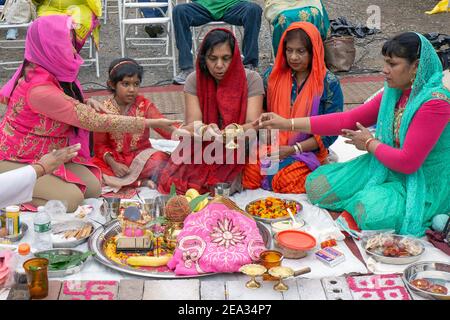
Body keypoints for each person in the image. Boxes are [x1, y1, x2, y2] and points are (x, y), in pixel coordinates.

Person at [257, 32, 450, 236]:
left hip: (422, 180)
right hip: (383, 165)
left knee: (367, 211)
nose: (384, 71)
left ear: (416, 66)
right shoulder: (396, 91)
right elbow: (347, 120)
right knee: (317, 186)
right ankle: (373, 193)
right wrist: (287, 123)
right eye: (385, 63)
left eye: (392, 64)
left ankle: (378, 198)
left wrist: (369, 143)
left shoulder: (434, 103)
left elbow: (408, 162)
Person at [0, 16, 179, 212]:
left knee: (93, 187)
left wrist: (84, 102)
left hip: (49, 154)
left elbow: (60, 107)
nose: (74, 50)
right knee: (71, 200)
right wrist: (149, 123)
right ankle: (8, 197)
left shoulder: (50, 73)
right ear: (50, 46)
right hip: (17, 159)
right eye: (66, 43)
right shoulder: (40, 88)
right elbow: (94, 122)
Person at [157, 28, 264, 194]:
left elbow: (254, 124)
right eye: (212, 59)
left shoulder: (251, 79)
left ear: (235, 57)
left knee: (217, 188)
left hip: (239, 147)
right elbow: (193, 124)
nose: (219, 65)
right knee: (173, 182)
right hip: (203, 144)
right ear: (203, 59)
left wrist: (231, 132)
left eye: (226, 58)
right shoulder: (194, 80)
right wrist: (207, 130)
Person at [243, 22, 343, 194]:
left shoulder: (328, 83)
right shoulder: (272, 77)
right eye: (289, 50)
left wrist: (293, 149)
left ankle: (316, 169)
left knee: (287, 179)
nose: (294, 57)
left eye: (301, 51)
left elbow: (330, 132)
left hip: (306, 150)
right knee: (250, 174)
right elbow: (260, 114)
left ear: (314, 52)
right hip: (272, 145)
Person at [92, 58, 178, 191]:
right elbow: (99, 145)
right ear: (112, 84)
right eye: (125, 84)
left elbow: (166, 128)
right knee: (92, 173)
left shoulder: (144, 105)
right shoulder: (104, 110)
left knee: (162, 161)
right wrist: (114, 164)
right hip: (115, 160)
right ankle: (139, 183)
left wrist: (187, 132)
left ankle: (128, 182)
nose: (132, 89)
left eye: (136, 84)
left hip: (141, 158)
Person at [172, 0, 262, 85]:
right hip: (203, 6)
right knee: (179, 11)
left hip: (232, 5)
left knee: (253, 9)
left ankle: (249, 65)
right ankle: (186, 68)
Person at [0, 144, 81, 208]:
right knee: (71, 201)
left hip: (53, 157)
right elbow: (89, 123)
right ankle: (11, 197)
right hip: (16, 158)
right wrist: (42, 167)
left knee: (92, 190)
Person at [264, 0, 330, 55]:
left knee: (314, 13)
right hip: (280, 3)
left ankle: (314, 54)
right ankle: (284, 57)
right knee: (285, 18)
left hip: (305, 1)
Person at [32, 0, 102, 50]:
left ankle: (67, 55)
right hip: (50, 8)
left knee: (75, 25)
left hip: (79, 7)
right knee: (43, 24)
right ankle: (50, 57)